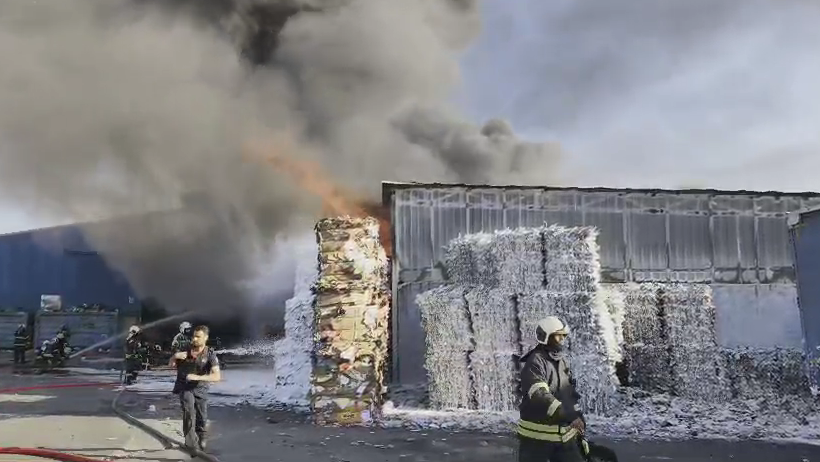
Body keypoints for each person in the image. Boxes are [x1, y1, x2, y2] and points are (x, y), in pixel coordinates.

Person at [517, 316, 588, 462]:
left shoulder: (561, 361)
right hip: (536, 440)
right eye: (558, 335)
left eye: (564, 335)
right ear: (546, 337)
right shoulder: (535, 362)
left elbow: (569, 393)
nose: (562, 339)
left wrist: (578, 416)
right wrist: (570, 416)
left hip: (563, 437)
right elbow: (540, 396)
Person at [169, 325, 221, 454]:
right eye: (194, 336)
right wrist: (175, 357)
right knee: (189, 413)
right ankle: (191, 444)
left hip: (201, 388)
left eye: (198, 337)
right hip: (185, 387)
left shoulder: (210, 354)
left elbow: (217, 376)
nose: (195, 339)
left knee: (202, 416)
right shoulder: (185, 350)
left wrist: (197, 377)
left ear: (205, 338)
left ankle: (201, 436)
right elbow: (171, 365)